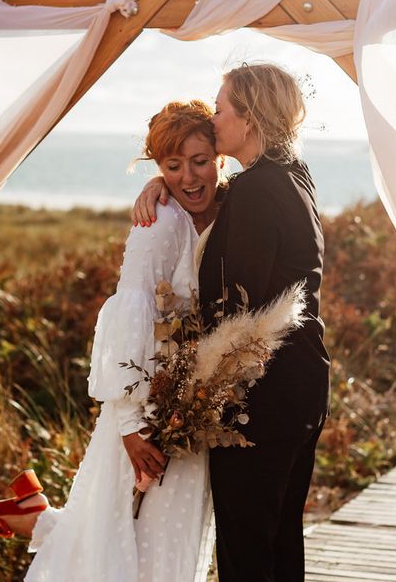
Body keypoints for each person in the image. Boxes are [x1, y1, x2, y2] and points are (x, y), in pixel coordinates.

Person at [0, 101, 221, 582]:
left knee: (150, 539)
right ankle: (34, 516)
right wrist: (130, 424)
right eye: (172, 166)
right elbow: (130, 311)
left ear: (219, 156)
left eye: (200, 161)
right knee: (132, 545)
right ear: (157, 167)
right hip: (144, 411)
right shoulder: (159, 224)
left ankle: (33, 515)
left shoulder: (227, 207)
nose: (189, 177)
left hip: (193, 407)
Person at [133, 63, 330, 582]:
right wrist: (165, 180)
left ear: (249, 117)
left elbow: (234, 306)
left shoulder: (256, 189)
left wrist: (192, 388)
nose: (214, 119)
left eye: (221, 109)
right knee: (279, 536)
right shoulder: (293, 175)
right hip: (304, 382)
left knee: (246, 548)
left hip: (263, 395)